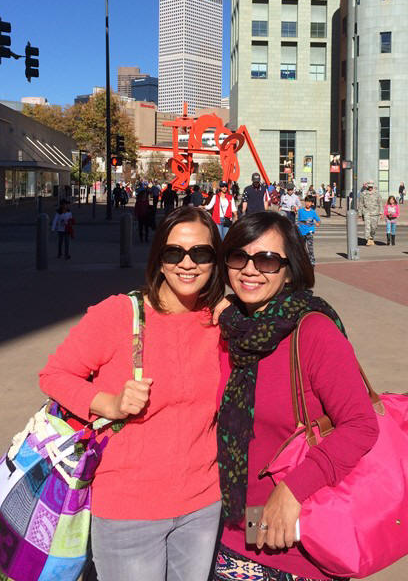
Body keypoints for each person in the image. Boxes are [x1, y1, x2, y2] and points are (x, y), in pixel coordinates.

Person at [40, 207, 226, 581]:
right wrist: (109, 403)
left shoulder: (221, 321)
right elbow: (54, 375)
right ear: (158, 259)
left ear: (215, 261)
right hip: (129, 509)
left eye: (201, 253)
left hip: (203, 503)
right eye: (174, 252)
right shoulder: (119, 314)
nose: (187, 263)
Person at [214, 212, 379, 580]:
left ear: (289, 270)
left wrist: (292, 490)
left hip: (298, 541)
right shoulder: (228, 328)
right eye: (239, 257)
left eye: (267, 260)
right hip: (228, 537)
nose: (250, 270)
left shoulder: (313, 331)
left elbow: (361, 425)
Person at [297, 195, 321, 265]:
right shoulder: (300, 211)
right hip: (301, 232)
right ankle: (302, 261)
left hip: (309, 232)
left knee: (310, 248)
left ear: (312, 203)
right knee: (301, 248)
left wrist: (318, 223)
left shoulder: (313, 212)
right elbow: (298, 220)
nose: (308, 203)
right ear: (304, 202)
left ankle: (312, 261)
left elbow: (318, 220)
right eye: (307, 201)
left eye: (309, 202)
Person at [358, 181, 382, 246]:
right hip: (366, 212)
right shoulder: (363, 193)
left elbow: (380, 203)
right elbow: (360, 204)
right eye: (369, 186)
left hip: (375, 213)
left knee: (374, 227)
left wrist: (381, 212)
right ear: (367, 186)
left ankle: (372, 237)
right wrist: (360, 213)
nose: (370, 188)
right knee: (367, 227)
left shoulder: (377, 193)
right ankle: (368, 239)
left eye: (371, 186)